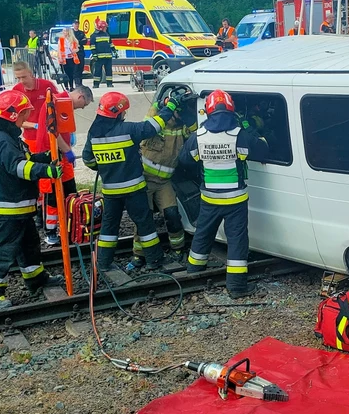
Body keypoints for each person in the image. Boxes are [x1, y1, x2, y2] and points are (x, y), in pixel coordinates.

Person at [180, 89, 269, 298]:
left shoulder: (198, 136)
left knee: (203, 233)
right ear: (231, 109)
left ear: (208, 110)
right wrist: (253, 131)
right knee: (237, 240)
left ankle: (193, 273)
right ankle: (237, 287)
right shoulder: (239, 135)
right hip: (235, 198)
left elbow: (185, 160)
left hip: (209, 197)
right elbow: (262, 150)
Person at [82, 91, 181, 274]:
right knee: (145, 225)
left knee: (109, 227)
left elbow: (88, 160)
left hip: (111, 192)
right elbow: (153, 126)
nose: (124, 115)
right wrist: (171, 106)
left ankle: (103, 262)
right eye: (123, 112)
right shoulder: (127, 129)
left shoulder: (93, 134)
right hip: (134, 189)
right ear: (118, 113)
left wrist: (106, 167)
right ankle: (154, 260)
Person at [0, 89, 63, 309]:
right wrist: (47, 171)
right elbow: (18, 167)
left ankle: (35, 278)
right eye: (24, 114)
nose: (27, 118)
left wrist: (43, 158)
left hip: (18, 205)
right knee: (4, 249)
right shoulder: (2, 141)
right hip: (8, 208)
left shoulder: (6, 137)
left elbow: (24, 159)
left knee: (29, 245)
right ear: (13, 116)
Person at [29, 84, 94, 244]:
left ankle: (70, 228)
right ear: (81, 97)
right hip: (50, 157)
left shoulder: (60, 102)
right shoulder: (56, 102)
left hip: (60, 156)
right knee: (52, 197)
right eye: (84, 105)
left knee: (69, 193)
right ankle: (50, 233)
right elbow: (53, 132)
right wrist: (67, 151)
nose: (82, 108)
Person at [137, 90, 197, 263]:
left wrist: (188, 116)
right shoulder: (156, 122)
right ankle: (139, 255)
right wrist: (165, 103)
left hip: (164, 183)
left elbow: (195, 134)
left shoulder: (182, 127)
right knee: (144, 219)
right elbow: (151, 114)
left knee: (172, 214)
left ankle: (178, 249)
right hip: (145, 180)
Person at [88, 19, 114, 88]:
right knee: (98, 71)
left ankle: (109, 83)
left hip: (108, 56)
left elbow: (110, 44)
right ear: (101, 28)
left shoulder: (107, 34)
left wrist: (114, 51)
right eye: (105, 27)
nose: (106, 28)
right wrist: (94, 55)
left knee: (109, 71)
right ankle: (96, 84)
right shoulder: (93, 36)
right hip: (99, 57)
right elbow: (92, 46)